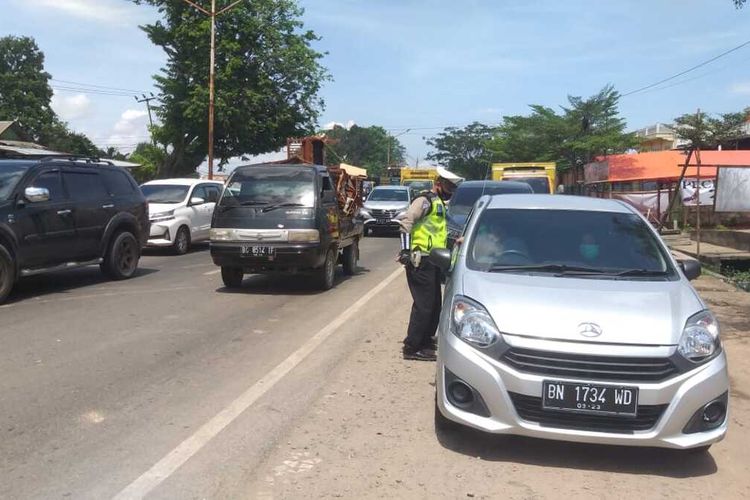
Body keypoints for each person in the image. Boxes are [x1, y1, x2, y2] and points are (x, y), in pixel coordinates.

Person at [396, 166, 462, 361]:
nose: (451, 190)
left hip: (433, 260)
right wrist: (406, 251)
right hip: (420, 260)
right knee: (423, 305)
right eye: (448, 186)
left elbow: (441, 231)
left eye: (453, 187)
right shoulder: (424, 201)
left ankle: (425, 341)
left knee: (434, 304)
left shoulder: (439, 204)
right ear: (438, 184)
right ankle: (412, 347)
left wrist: (457, 239)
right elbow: (406, 223)